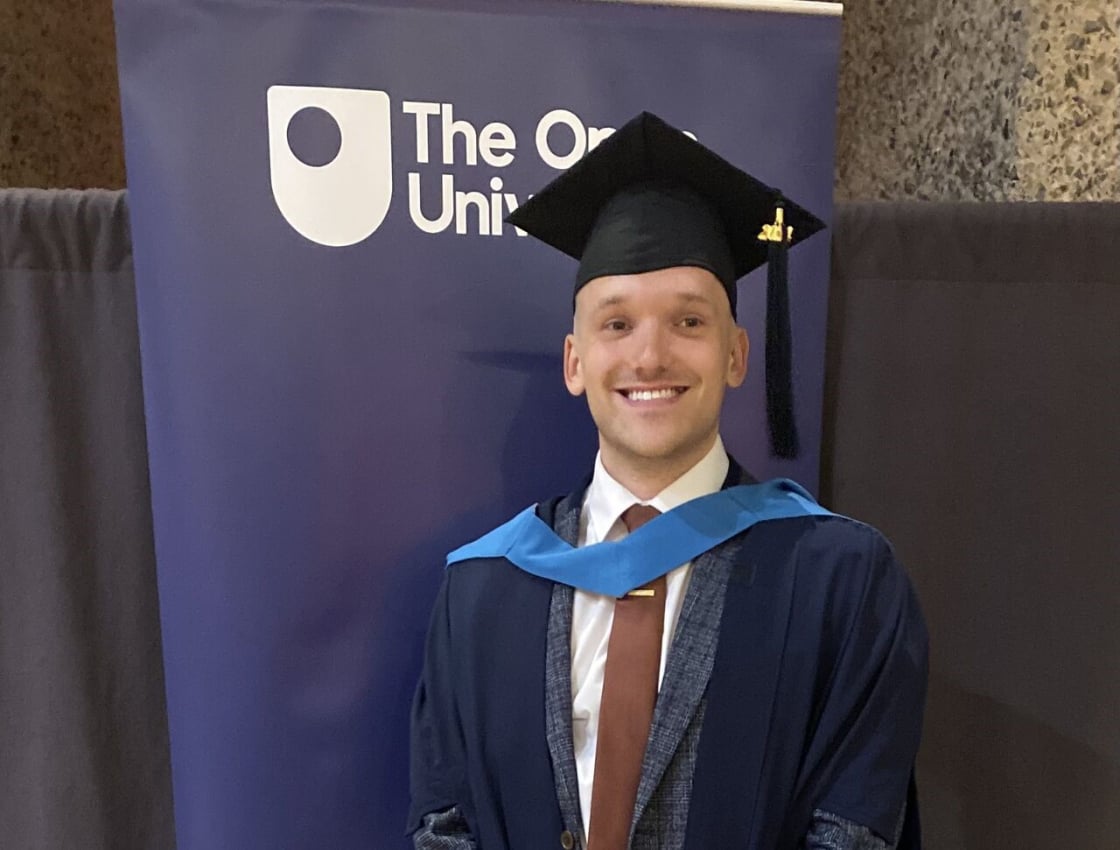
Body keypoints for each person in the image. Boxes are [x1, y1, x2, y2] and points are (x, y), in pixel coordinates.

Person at [408, 112, 928, 850]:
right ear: (574, 361)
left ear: (738, 355)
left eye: (689, 321)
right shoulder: (482, 591)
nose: (650, 356)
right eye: (616, 325)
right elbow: (443, 828)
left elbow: (853, 834)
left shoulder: (840, 582)